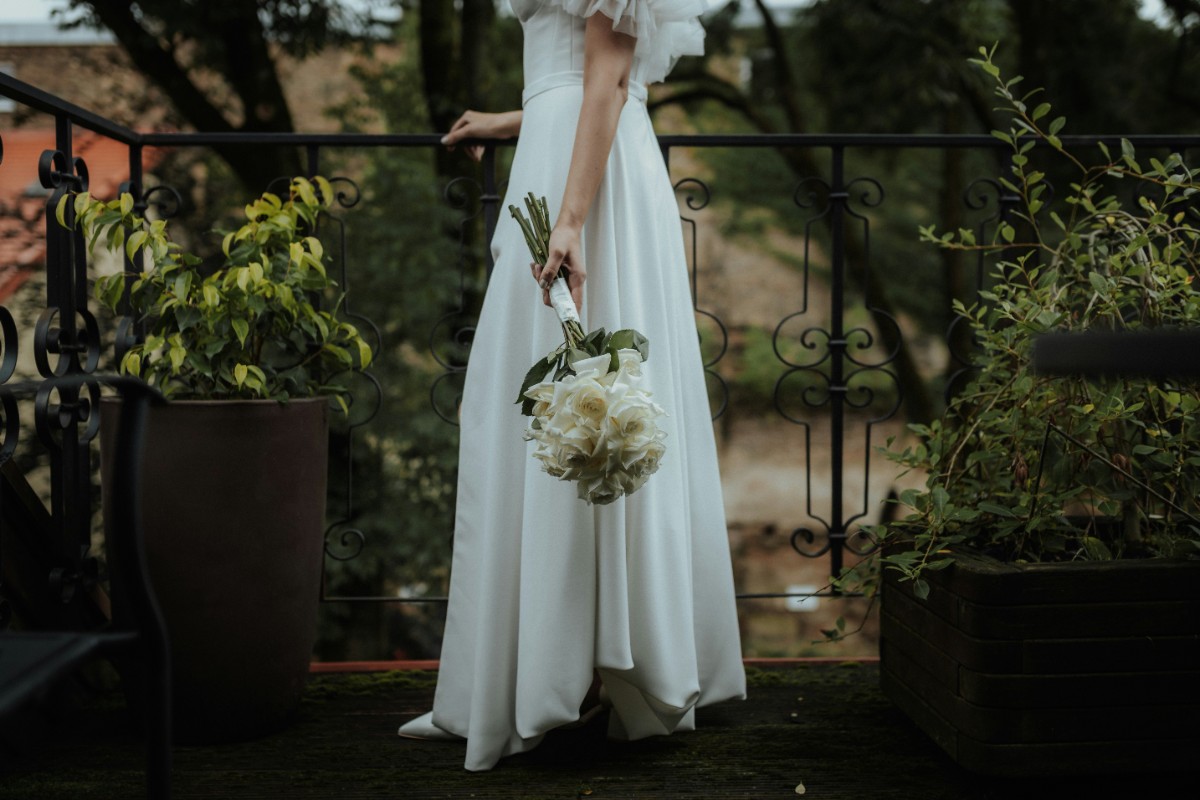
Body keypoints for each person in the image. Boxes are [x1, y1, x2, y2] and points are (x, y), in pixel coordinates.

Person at [398, 0, 746, 772]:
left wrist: (570, 222)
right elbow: (573, 74)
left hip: (591, 185)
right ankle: (547, 670)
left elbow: (610, 80)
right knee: (537, 403)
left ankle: (591, 673)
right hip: (561, 152)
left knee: (577, 397)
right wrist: (510, 117)